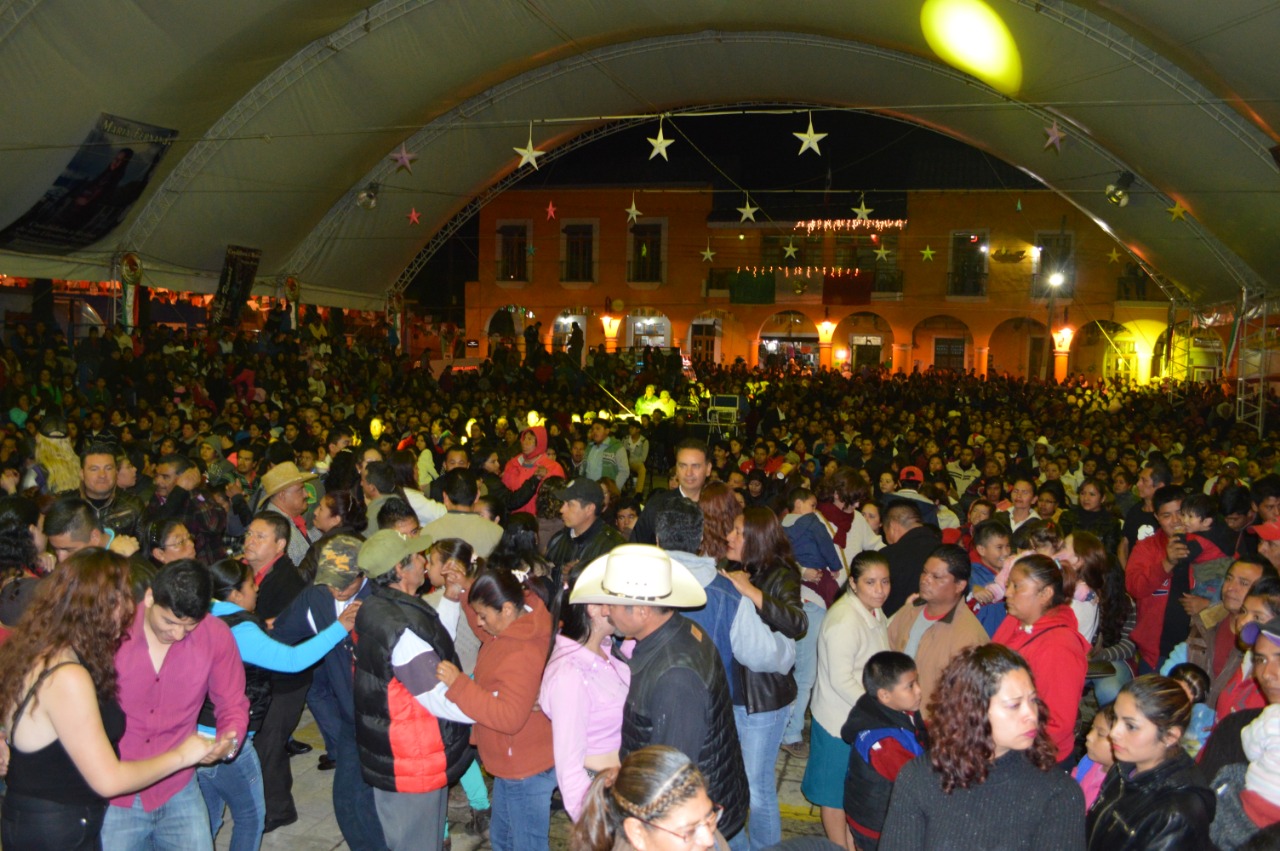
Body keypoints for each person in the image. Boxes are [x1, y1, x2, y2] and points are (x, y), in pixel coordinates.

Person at [0, 550, 218, 851]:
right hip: (58, 829)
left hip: (39, 819)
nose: (131, 611)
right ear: (96, 608)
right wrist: (183, 755)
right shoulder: (67, 676)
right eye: (123, 602)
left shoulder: (42, 648)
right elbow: (109, 780)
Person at [570, 544, 748, 844]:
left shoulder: (675, 677)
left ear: (641, 610)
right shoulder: (679, 631)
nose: (606, 610)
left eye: (612, 603)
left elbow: (671, 776)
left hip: (692, 831)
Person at [194, 556, 361, 850]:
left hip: (196, 732)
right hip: (228, 740)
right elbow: (293, 661)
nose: (256, 590)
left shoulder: (201, 616)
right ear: (234, 594)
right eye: (250, 584)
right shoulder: (241, 630)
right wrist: (339, 628)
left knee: (207, 818)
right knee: (250, 817)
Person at [102, 560, 249, 851]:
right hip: (117, 793)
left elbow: (232, 702)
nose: (178, 635)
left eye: (189, 626)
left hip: (178, 788)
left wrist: (228, 742)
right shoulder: (112, 632)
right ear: (149, 598)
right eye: (169, 622)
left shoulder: (215, 635)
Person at [880, 645, 1086, 850]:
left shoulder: (1058, 793)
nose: (1032, 715)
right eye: (1014, 705)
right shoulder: (918, 778)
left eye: (1033, 700)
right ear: (972, 711)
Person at [352, 528, 474, 851]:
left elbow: (432, 648)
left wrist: (449, 598)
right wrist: (488, 710)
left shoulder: (385, 607)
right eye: (417, 556)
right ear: (398, 570)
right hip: (413, 760)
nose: (424, 561)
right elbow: (435, 695)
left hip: (406, 754)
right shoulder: (400, 630)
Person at [272, 534, 385, 851]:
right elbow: (283, 635)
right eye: (329, 582)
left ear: (362, 574)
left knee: (380, 801)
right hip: (352, 718)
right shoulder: (317, 598)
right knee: (347, 799)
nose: (335, 590)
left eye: (343, 584)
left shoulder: (381, 597)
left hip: (386, 718)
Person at [436, 566, 556, 851]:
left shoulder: (521, 651)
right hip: (512, 761)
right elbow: (489, 632)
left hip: (525, 766)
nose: (478, 623)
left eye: (483, 615)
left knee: (526, 844)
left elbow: (509, 717)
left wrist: (459, 685)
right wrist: (466, 589)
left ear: (506, 609)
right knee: (503, 839)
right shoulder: (517, 625)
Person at [720, 507, 807, 851]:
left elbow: (797, 623)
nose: (730, 537)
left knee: (758, 788)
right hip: (734, 696)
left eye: (739, 532)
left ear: (756, 538)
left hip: (764, 700)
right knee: (736, 783)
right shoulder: (734, 569)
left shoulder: (781, 575)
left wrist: (751, 592)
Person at [805, 551, 892, 847]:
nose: (879, 589)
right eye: (870, 582)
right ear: (853, 583)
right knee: (833, 795)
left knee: (847, 789)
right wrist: (880, 708)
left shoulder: (873, 611)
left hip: (857, 718)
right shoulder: (844, 620)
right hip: (837, 721)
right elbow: (841, 679)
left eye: (884, 582)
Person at [539, 563, 631, 822]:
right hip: (600, 794)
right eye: (615, 601)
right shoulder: (570, 674)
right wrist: (593, 826)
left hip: (621, 787)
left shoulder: (605, 649)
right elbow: (569, 768)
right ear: (594, 608)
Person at [1086, 675, 1215, 850]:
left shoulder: (1175, 816)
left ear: (1170, 736)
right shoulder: (1124, 767)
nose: (1114, 732)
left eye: (1130, 726)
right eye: (1116, 718)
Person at [992, 554, 1090, 767]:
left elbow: (1057, 724)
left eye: (1016, 587)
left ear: (1045, 594)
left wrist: (1006, 754)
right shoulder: (1014, 620)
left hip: (1034, 759)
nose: (1007, 593)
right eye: (1008, 584)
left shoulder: (1059, 646)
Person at [779, 486, 845, 757]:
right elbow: (832, 554)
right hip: (812, 604)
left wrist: (799, 570)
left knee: (790, 669)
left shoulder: (778, 527)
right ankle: (791, 733)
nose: (816, 509)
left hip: (788, 602)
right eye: (813, 503)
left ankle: (785, 725)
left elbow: (775, 558)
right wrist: (834, 566)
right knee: (806, 674)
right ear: (800, 502)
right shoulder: (813, 522)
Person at [886, 544, 989, 715]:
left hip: (932, 727)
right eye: (924, 572)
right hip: (897, 716)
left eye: (936, 577)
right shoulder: (910, 610)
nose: (925, 579)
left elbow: (966, 703)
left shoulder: (969, 636)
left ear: (960, 585)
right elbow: (887, 653)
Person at [840, 651, 926, 851]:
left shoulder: (887, 711)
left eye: (917, 682)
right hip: (878, 826)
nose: (919, 690)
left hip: (876, 816)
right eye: (910, 686)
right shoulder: (884, 745)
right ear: (885, 695)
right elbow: (917, 782)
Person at [569, 745, 727, 851]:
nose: (709, 839)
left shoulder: (702, 831)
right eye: (689, 831)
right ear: (637, 833)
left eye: (710, 817)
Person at [545, 477, 626, 580]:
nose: (561, 510)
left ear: (589, 509)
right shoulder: (557, 540)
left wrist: (585, 574)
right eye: (563, 503)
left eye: (570, 504)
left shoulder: (613, 549)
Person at [879, 502, 941, 617]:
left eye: (885, 532)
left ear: (893, 527)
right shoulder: (944, 552)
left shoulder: (887, 556)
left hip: (898, 627)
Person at [1072, 703, 1116, 809]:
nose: (1089, 736)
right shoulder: (1088, 761)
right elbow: (1071, 787)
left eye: (1100, 734)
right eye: (1092, 728)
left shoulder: (1116, 788)